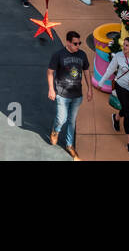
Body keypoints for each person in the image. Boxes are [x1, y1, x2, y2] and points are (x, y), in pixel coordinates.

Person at [47, 31, 93, 160]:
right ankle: (55, 131)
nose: (78, 46)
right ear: (68, 42)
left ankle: (69, 145)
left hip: (77, 95)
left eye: (79, 43)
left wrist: (90, 89)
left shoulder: (82, 55)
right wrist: (51, 89)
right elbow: (50, 72)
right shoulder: (58, 55)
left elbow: (86, 71)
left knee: (72, 121)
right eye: (75, 43)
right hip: (62, 94)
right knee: (61, 119)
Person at [101, 36, 129, 156]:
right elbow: (110, 70)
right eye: (124, 45)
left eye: (126, 45)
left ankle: (116, 117)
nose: (124, 47)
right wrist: (101, 82)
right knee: (127, 114)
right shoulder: (118, 56)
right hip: (121, 87)